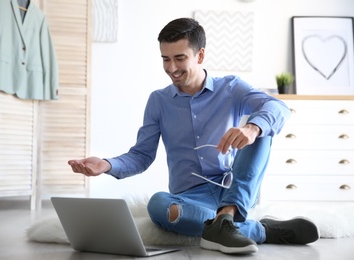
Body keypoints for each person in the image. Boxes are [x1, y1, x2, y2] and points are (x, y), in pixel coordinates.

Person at [68, 18, 319, 255]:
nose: (171, 68)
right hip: (189, 198)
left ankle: (228, 216)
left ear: (200, 55)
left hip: (232, 190)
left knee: (262, 129)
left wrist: (251, 128)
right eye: (165, 59)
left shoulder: (231, 88)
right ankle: (256, 229)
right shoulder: (158, 101)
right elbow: (142, 155)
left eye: (179, 58)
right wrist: (107, 164)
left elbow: (279, 108)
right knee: (157, 204)